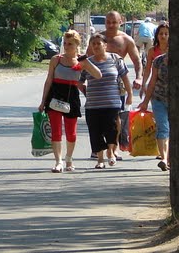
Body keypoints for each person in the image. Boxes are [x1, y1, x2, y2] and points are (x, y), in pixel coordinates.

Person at [137, 23, 179, 171]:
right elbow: (152, 82)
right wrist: (145, 102)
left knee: (174, 129)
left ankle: (170, 158)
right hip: (159, 99)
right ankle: (164, 158)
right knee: (163, 128)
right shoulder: (158, 61)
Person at [39, 29, 102, 173]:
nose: (67, 47)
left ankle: (69, 159)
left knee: (71, 132)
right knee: (56, 131)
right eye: (65, 43)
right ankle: (58, 161)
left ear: (77, 45)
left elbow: (98, 75)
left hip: (71, 97)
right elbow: (49, 80)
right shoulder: (56, 59)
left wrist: (85, 62)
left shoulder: (81, 61)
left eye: (70, 44)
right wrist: (43, 101)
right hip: (55, 96)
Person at [87, 10, 141, 157]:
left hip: (116, 84)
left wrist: (139, 77)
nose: (110, 25)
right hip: (97, 85)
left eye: (114, 22)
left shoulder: (126, 40)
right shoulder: (98, 39)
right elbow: (86, 60)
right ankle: (98, 149)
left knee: (115, 117)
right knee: (96, 117)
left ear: (120, 22)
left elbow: (137, 60)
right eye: (108, 22)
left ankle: (113, 147)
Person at [81, 33, 132, 168]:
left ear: (105, 45)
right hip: (93, 104)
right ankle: (100, 160)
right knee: (95, 132)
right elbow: (79, 81)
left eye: (99, 43)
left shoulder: (115, 59)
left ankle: (111, 152)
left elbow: (125, 78)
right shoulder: (87, 63)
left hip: (112, 102)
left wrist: (130, 95)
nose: (96, 46)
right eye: (94, 44)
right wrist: (86, 92)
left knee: (113, 129)